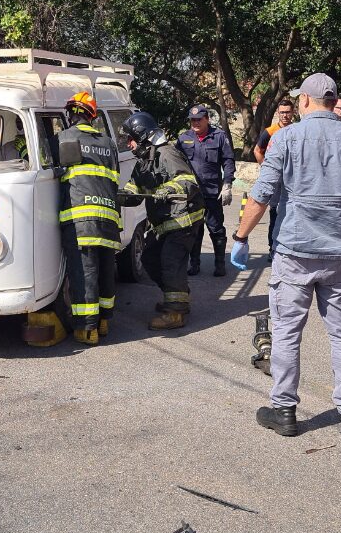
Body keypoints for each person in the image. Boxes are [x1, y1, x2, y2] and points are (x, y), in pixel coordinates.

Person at [229, 73, 341, 440]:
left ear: (303, 102)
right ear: (334, 103)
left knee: (285, 333)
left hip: (295, 251)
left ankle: (284, 411)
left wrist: (240, 237)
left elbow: (262, 194)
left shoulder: (285, 138)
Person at [35, 92, 121, 347]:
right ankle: (104, 321)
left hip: (79, 217)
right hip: (108, 216)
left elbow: (42, 164)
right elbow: (114, 180)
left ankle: (86, 329)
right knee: (106, 269)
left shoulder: (62, 138)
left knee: (84, 272)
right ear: (92, 116)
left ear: (70, 114)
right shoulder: (108, 143)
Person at [120, 111, 205, 330]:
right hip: (164, 224)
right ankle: (176, 296)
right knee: (149, 258)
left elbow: (188, 182)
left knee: (170, 262)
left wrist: (167, 189)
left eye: (131, 139)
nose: (129, 144)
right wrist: (120, 196)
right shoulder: (143, 162)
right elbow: (134, 190)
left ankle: (175, 312)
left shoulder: (166, 154)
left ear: (143, 136)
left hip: (183, 220)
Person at [177, 105, 235, 277]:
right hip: (191, 193)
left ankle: (220, 264)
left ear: (207, 119)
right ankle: (194, 264)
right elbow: (175, 162)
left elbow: (228, 160)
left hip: (212, 192)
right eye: (192, 120)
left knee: (216, 229)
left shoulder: (218, 136)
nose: (195, 123)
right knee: (194, 229)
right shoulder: (184, 138)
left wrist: (227, 184)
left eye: (199, 119)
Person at [253, 99, 295, 255]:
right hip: (277, 182)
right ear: (278, 113)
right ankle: (272, 248)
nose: (285, 115)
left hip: (294, 181)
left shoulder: (297, 129)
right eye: (282, 112)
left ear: (293, 112)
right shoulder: (270, 131)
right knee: (275, 213)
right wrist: (267, 169)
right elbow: (257, 151)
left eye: (288, 112)